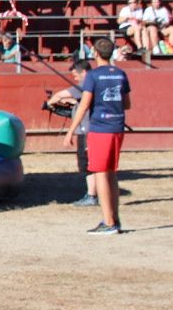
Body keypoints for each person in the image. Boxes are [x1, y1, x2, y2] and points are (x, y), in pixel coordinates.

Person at [63, 36, 129, 235]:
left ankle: (108, 222)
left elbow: (83, 105)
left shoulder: (93, 76)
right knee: (111, 173)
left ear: (96, 54)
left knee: (100, 173)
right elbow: (127, 104)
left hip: (100, 127)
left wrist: (70, 130)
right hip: (117, 125)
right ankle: (114, 219)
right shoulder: (120, 73)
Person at [44, 61, 98, 207]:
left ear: (83, 72)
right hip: (94, 128)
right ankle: (94, 194)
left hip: (86, 129)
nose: (75, 78)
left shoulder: (85, 84)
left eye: (75, 75)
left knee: (88, 164)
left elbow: (60, 95)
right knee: (94, 164)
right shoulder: (95, 83)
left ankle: (92, 195)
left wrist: (50, 103)